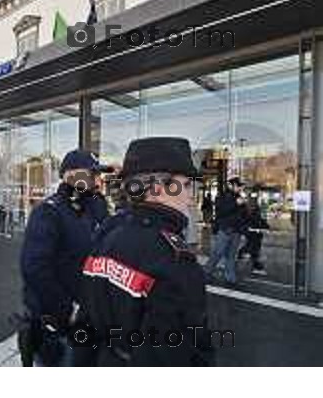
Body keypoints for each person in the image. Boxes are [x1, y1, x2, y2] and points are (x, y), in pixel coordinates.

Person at [79, 137, 212, 367]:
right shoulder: (173, 259)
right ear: (159, 187)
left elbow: (86, 317)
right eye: (187, 185)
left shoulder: (108, 232)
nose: (191, 197)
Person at [18, 149, 111, 367]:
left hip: (91, 321)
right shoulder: (48, 213)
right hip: (59, 327)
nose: (97, 180)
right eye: (91, 174)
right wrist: (67, 309)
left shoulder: (94, 208)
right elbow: (34, 268)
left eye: (98, 175)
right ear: (70, 176)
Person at [205, 177, 246, 285]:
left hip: (236, 231)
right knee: (217, 253)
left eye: (241, 186)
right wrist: (236, 204)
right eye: (238, 185)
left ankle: (230, 278)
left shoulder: (240, 198)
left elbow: (243, 215)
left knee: (231, 256)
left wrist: (243, 229)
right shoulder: (222, 197)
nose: (240, 188)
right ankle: (206, 273)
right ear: (231, 185)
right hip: (225, 230)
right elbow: (221, 211)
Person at [237, 198, 269, 275]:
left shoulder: (254, 211)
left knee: (252, 247)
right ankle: (256, 265)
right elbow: (247, 221)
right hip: (252, 232)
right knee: (253, 248)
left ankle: (243, 255)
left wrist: (265, 226)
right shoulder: (246, 211)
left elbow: (260, 220)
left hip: (255, 233)